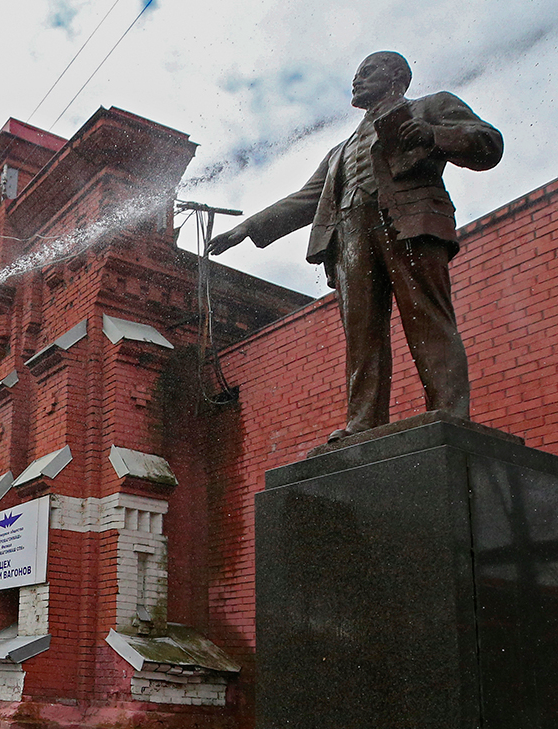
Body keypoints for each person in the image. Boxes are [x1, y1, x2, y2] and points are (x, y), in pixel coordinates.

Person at [207, 51, 502, 443]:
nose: (356, 79)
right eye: (356, 74)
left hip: (409, 225)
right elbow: (304, 200)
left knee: (428, 318)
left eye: (367, 71)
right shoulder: (338, 152)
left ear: (396, 75)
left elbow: (488, 142)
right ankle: (364, 422)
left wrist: (435, 136)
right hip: (349, 240)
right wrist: (247, 227)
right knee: (363, 336)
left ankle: (448, 412)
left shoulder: (430, 106)